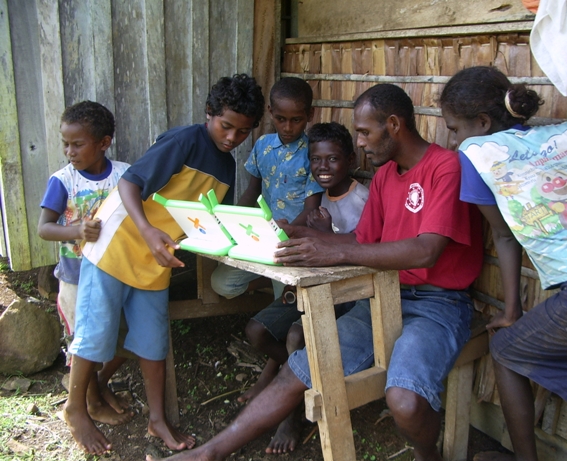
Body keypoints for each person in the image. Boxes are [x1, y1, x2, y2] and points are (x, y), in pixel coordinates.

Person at [147, 83, 483, 461]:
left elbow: (426, 251)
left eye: (364, 132)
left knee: (404, 401)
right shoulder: (387, 175)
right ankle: (208, 454)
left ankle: (428, 457)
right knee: (298, 370)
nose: (361, 143)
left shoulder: (445, 167)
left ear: (393, 125)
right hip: (383, 292)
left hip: (438, 303)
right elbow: (360, 240)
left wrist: (332, 252)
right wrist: (300, 233)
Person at [63, 74, 265, 456]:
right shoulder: (183, 141)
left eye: (243, 131)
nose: (232, 138)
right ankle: (75, 408)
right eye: (226, 126)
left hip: (155, 260)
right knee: (95, 331)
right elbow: (129, 184)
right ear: (209, 113)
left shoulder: (226, 167)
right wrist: (148, 230)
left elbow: (209, 218)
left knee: (152, 341)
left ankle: (157, 419)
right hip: (117, 244)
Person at [439, 65, 567, 461]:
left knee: (505, 350)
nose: (453, 139)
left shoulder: (476, 153)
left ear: (482, 123)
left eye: (454, 129)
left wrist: (511, 312)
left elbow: (503, 236)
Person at [241, 121, 369, 453]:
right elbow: (300, 236)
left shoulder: (363, 200)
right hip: (311, 288)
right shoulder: (318, 198)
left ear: (351, 160)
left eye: (332, 159)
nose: (322, 167)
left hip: (347, 296)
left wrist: (326, 235)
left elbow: (366, 251)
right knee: (256, 331)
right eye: (315, 159)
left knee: (296, 335)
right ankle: (290, 381)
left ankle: (291, 412)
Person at [38, 100, 134, 426]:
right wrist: (76, 231)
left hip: (116, 272)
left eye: (77, 144)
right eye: (65, 144)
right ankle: (90, 403)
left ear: (104, 143)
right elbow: (44, 228)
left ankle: (101, 384)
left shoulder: (123, 175)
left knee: (124, 334)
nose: (70, 152)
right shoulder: (63, 181)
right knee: (85, 342)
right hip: (76, 278)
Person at [210, 76, 323, 301]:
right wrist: (231, 222)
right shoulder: (263, 145)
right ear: (270, 112)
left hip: (292, 242)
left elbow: (312, 208)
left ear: (310, 115)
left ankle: (280, 287)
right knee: (222, 283)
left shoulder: (313, 154)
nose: (288, 127)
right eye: (281, 119)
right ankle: (268, 280)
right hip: (261, 237)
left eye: (296, 120)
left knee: (286, 305)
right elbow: (252, 191)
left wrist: (285, 234)